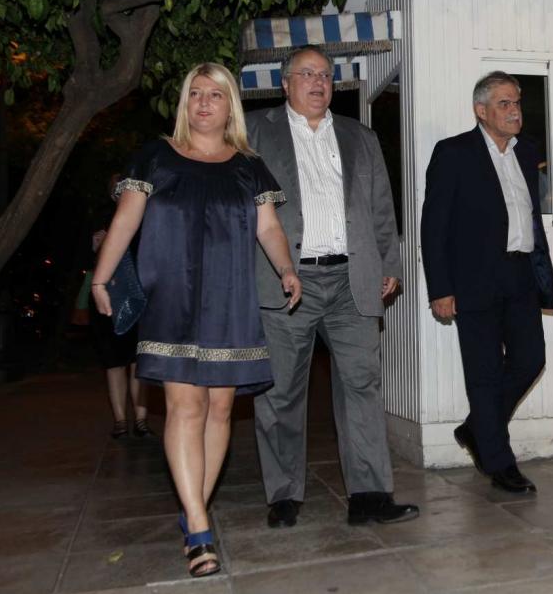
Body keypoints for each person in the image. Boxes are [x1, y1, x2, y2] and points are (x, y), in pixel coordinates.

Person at [92, 63, 301, 577]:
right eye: (195, 94)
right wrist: (101, 278)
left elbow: (268, 228)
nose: (204, 102)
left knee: (220, 410)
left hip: (231, 299)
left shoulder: (249, 165)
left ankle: (192, 513)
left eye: (216, 94)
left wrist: (286, 268)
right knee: (186, 408)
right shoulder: (156, 156)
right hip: (172, 297)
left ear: (231, 107)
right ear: (185, 103)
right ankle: (201, 530)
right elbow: (126, 219)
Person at [247, 45, 418, 528]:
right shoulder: (255, 131)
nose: (319, 82)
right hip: (287, 281)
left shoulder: (359, 135)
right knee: (280, 391)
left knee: (362, 385)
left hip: (351, 279)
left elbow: (381, 205)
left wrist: (389, 261)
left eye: (325, 74)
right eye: (307, 74)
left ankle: (369, 495)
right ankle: (283, 494)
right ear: (286, 84)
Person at [420, 71, 553, 494]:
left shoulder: (526, 150)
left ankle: (478, 427)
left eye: (517, 102)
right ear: (481, 110)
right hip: (473, 280)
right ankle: (499, 462)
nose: (515, 110)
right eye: (504, 103)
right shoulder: (453, 152)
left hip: (521, 274)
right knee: (484, 372)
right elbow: (433, 226)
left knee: (530, 359)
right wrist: (440, 288)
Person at [89, 177, 151, 440]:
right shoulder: (103, 218)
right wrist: (101, 243)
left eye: (124, 186)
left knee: (139, 360)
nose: (121, 191)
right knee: (114, 362)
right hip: (109, 298)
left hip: (142, 297)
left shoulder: (147, 217)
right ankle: (120, 420)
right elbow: (93, 258)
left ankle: (141, 420)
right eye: (116, 188)